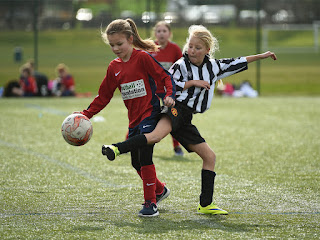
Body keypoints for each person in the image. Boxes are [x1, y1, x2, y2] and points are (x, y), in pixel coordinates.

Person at [102, 24, 277, 215]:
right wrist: (192, 83)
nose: (192, 51)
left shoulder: (213, 67)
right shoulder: (181, 65)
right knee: (154, 136)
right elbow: (169, 81)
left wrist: (262, 56)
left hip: (186, 118)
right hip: (176, 109)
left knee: (209, 157)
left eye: (197, 48)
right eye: (190, 46)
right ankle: (118, 148)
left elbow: (237, 62)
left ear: (207, 50)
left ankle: (205, 204)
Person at [78, 19, 176, 217]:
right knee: (135, 163)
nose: (115, 48)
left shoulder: (143, 58)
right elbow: (103, 96)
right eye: (112, 45)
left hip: (150, 113)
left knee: (145, 155)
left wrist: (169, 94)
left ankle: (150, 203)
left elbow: (165, 76)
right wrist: (85, 114)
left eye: (119, 44)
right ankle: (160, 189)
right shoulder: (113, 67)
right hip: (134, 120)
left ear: (130, 39)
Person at [151, 21, 184, 156]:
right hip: (152, 90)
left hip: (168, 91)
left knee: (171, 117)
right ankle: (129, 142)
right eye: (159, 31)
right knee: (145, 116)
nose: (161, 33)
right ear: (155, 33)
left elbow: (181, 68)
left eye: (164, 31)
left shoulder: (175, 49)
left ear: (169, 34)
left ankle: (176, 146)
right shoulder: (150, 48)